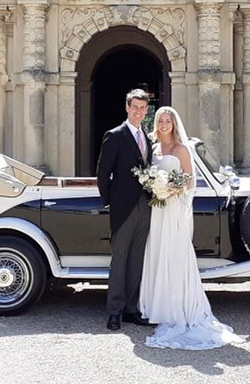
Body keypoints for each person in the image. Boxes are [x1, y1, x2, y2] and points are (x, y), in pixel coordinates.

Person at [139, 106, 244, 350]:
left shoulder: (181, 149)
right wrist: (156, 188)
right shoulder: (153, 148)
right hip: (156, 209)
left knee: (174, 254)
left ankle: (178, 308)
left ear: (175, 124)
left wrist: (169, 190)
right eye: (161, 120)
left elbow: (189, 180)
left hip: (173, 207)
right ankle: (158, 307)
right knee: (157, 253)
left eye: (168, 121)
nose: (164, 124)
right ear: (156, 124)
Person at [96, 89, 154, 331]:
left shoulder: (148, 139)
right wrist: (110, 201)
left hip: (146, 205)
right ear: (127, 108)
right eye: (135, 107)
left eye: (143, 108)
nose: (139, 112)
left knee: (137, 259)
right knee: (119, 260)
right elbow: (102, 173)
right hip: (122, 208)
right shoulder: (115, 135)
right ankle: (114, 312)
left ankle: (131, 309)